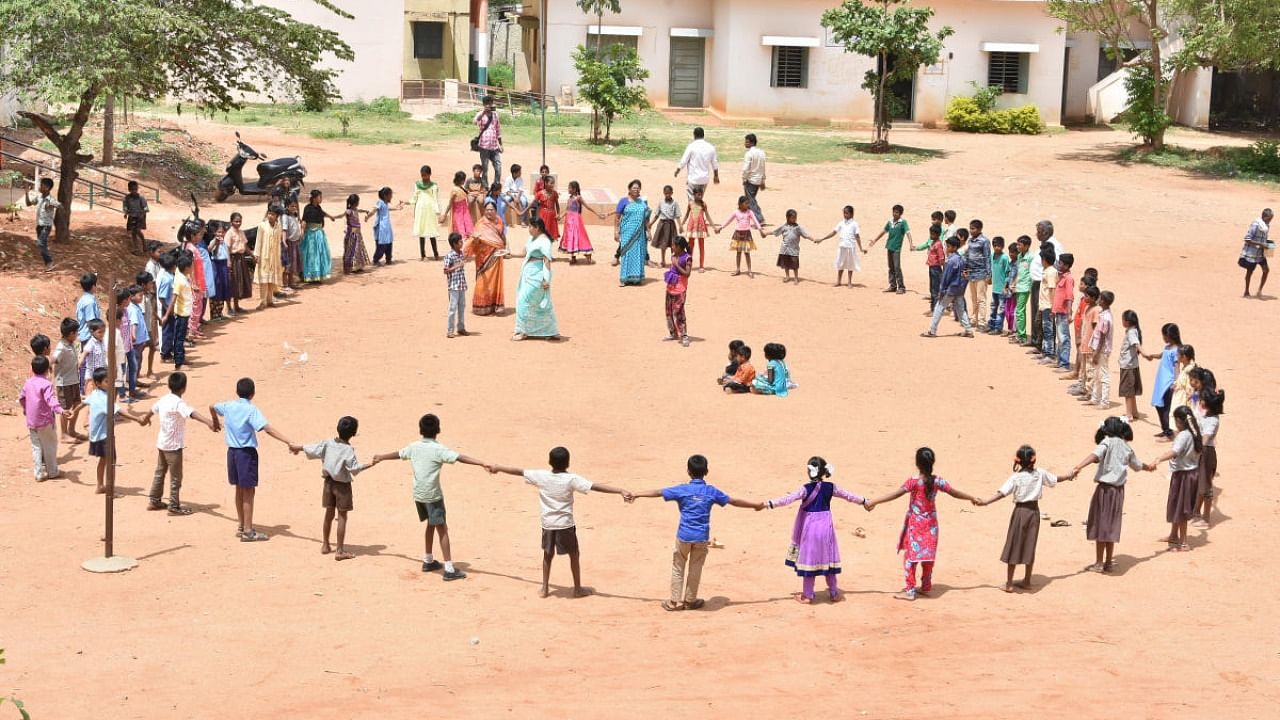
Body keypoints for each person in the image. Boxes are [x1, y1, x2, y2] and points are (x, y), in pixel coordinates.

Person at [487, 447, 629, 598]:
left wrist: (498, 467)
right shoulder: (571, 479)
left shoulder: (541, 476)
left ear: (550, 462)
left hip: (547, 524)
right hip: (565, 525)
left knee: (547, 555)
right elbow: (594, 486)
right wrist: (620, 490)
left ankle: (544, 588)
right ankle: (577, 588)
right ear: (568, 463)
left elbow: (519, 471)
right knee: (574, 554)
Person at [625, 454, 762, 611]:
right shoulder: (711, 491)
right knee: (695, 568)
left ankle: (674, 602)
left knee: (678, 567)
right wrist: (755, 505)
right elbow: (733, 501)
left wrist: (636, 494)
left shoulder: (682, 490)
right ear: (707, 471)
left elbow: (658, 492)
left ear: (688, 472)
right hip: (701, 537)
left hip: (683, 536)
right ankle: (690, 600)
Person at [371, 413, 492, 581]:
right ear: (438, 430)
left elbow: (399, 454)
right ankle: (449, 569)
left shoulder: (414, 446)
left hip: (419, 495)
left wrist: (381, 456)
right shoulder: (439, 449)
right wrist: (481, 462)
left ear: (420, 430)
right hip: (433, 496)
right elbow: (459, 457)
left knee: (430, 524)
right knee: (442, 529)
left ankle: (428, 560)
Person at [864, 447, 980, 601]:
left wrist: (874, 501)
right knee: (928, 557)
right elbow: (954, 492)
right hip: (931, 525)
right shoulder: (938, 481)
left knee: (910, 558)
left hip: (916, 526)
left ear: (917, 463)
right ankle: (926, 587)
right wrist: (972, 497)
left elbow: (896, 494)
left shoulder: (914, 481)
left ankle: (910, 590)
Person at [765, 457, 868, 604]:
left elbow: (788, 498)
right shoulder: (831, 487)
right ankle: (834, 592)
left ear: (809, 471)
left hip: (810, 528)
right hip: (826, 527)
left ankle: (808, 595)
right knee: (829, 558)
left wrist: (770, 503)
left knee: (809, 560)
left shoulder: (805, 489)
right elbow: (848, 495)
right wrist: (865, 501)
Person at [974, 445, 1071, 592]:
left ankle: (1009, 583)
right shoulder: (1040, 473)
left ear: (1018, 461)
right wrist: (1069, 475)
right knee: (1030, 545)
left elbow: (1002, 493)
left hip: (1020, 512)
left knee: (1014, 544)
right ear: (1034, 460)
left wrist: (986, 502)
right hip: (1034, 513)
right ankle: (1027, 580)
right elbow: (1056, 479)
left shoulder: (1016, 477)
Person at [211, 377, 297, 542]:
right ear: (252, 394)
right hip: (246, 454)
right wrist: (287, 441)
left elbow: (212, 406)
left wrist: (215, 421)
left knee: (238, 490)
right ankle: (248, 531)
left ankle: (242, 525)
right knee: (249, 492)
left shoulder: (228, 405)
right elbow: (267, 429)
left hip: (232, 453)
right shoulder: (251, 410)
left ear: (237, 392)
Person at [291, 416, 378, 561]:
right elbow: (354, 469)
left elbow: (312, 448)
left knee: (328, 514)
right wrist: (371, 464)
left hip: (328, 484)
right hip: (342, 487)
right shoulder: (348, 450)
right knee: (342, 516)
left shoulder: (328, 443)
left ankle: (325, 545)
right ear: (354, 433)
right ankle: (340, 550)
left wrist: (297, 448)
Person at [1069, 416, 1147, 572]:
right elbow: (1138, 465)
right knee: (1111, 526)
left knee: (1100, 525)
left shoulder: (1107, 442)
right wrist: (1149, 467)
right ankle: (1109, 562)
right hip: (1118, 492)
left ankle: (1098, 563)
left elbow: (1094, 456)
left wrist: (1078, 466)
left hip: (1105, 490)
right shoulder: (1126, 447)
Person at [148, 371, 217, 515]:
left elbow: (152, 410)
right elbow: (191, 413)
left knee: (160, 472)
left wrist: (144, 419)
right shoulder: (178, 403)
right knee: (175, 477)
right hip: (173, 446)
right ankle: (174, 506)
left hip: (162, 443)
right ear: (184, 388)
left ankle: (154, 500)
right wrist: (209, 422)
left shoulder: (164, 399)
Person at [73, 367, 150, 494]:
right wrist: (137, 419)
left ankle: (99, 485)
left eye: (111, 381)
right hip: (104, 436)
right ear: (98, 383)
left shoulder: (94, 394)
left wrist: (73, 412)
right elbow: (120, 411)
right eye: (107, 381)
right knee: (111, 462)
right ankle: (110, 490)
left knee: (103, 460)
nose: (110, 384)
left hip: (96, 435)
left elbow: (83, 403)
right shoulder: (105, 399)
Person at [1148, 406, 1203, 552]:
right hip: (1191, 474)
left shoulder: (1184, 435)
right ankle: (1173, 535)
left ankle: (1184, 542)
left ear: (1179, 421)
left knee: (1182, 507)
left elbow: (1174, 451)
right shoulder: (1195, 432)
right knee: (1178, 505)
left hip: (1184, 476)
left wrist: (1158, 459)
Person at [19, 356, 70, 480]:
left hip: (31, 421)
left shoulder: (28, 382)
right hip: (45, 420)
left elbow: (22, 398)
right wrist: (61, 410)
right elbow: (50, 400)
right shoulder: (46, 384)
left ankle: (38, 473)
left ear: (32, 369)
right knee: (50, 445)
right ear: (48, 369)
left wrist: (26, 409)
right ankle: (52, 472)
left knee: (36, 446)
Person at [513, 218, 559, 341]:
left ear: (537, 227)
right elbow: (524, 253)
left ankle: (522, 331)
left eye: (530, 227)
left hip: (538, 276)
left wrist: (546, 279)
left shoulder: (544, 241)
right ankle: (550, 331)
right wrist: (509, 254)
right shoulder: (532, 239)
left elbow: (547, 260)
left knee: (523, 301)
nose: (529, 229)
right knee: (538, 304)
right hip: (528, 274)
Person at [1189, 368, 1224, 527]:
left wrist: (1194, 450)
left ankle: (1206, 519)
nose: (1200, 401)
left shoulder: (1212, 420)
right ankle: (1196, 512)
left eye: (1202, 400)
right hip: (1202, 451)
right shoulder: (1207, 413)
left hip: (1206, 452)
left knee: (1206, 487)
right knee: (1200, 485)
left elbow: (1205, 439)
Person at [922, 235, 973, 338]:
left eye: (948, 246)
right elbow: (965, 275)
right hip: (959, 289)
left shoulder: (951, 261)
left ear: (954, 247)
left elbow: (946, 278)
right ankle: (968, 330)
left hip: (950, 289)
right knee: (960, 309)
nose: (946, 248)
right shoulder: (961, 259)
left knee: (939, 308)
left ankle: (932, 331)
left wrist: (942, 291)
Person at [464, 202, 507, 316]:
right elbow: (474, 242)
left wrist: (504, 247)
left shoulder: (499, 221)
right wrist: (476, 240)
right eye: (487, 210)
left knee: (495, 281)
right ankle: (481, 307)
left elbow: (502, 236)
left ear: (495, 210)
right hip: (483, 257)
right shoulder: (480, 224)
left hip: (497, 255)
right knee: (483, 280)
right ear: (484, 211)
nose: (489, 212)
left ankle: (495, 305)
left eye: (492, 209)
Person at [1143, 323, 1182, 439]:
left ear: (1170, 335)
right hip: (1161, 381)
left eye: (1164, 335)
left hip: (1168, 382)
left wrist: (1176, 381)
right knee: (1159, 405)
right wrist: (1152, 356)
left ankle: (1169, 432)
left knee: (1166, 408)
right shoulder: (1168, 347)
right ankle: (1165, 429)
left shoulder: (1177, 350)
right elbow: (1162, 355)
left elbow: (1177, 367)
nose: (1163, 338)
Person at [51, 319, 85, 442]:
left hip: (74, 380)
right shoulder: (61, 347)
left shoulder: (71, 344)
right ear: (71, 333)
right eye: (76, 332)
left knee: (77, 404)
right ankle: (64, 434)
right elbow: (54, 358)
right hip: (64, 383)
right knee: (65, 408)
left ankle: (72, 430)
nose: (77, 334)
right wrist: (47, 365)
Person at [715, 195, 764, 278]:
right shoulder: (736, 212)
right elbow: (728, 220)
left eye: (748, 203)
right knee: (738, 253)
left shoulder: (750, 212)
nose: (748, 205)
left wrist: (760, 230)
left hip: (746, 234)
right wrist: (721, 227)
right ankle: (738, 269)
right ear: (740, 204)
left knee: (747, 253)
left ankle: (749, 270)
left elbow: (755, 221)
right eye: (746, 203)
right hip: (738, 234)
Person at [869, 204, 913, 294]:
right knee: (891, 267)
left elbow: (908, 233)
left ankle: (901, 287)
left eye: (897, 212)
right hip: (889, 246)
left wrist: (911, 244)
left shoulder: (903, 222)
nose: (894, 214)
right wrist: (875, 240)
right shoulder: (890, 222)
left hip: (897, 248)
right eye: (894, 212)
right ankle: (892, 285)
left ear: (900, 214)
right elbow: (883, 231)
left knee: (897, 267)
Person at [819, 205, 865, 288]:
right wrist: (822, 238)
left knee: (850, 264)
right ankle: (838, 281)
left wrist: (861, 248)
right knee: (840, 263)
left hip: (851, 247)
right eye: (844, 213)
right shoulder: (841, 223)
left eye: (846, 213)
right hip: (842, 246)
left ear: (851, 214)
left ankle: (849, 282)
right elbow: (833, 233)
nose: (845, 215)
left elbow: (857, 236)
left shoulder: (855, 224)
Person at [770, 209, 819, 283]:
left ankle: (796, 278)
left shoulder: (798, 228)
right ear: (787, 218)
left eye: (795, 217)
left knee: (795, 264)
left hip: (794, 249)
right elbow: (775, 232)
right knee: (786, 264)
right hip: (785, 249)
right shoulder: (784, 227)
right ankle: (787, 276)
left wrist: (813, 239)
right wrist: (766, 234)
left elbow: (806, 235)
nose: (794, 219)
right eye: (793, 218)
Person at [616, 179, 649, 286]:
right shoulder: (623, 201)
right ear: (629, 189)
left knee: (638, 253)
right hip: (627, 232)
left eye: (638, 188)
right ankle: (624, 278)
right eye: (634, 188)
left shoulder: (642, 202)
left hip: (639, 234)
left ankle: (636, 278)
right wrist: (616, 231)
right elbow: (617, 217)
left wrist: (649, 231)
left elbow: (646, 218)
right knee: (626, 253)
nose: (636, 189)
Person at [300, 189, 337, 282]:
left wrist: (331, 216)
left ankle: (318, 275)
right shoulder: (308, 208)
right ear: (314, 198)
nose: (321, 199)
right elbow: (304, 221)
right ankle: (310, 275)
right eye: (320, 197)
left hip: (319, 234)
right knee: (312, 254)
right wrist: (302, 232)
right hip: (311, 235)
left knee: (320, 254)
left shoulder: (318, 207)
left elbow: (323, 213)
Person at [559, 180, 599, 264]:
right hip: (569, 222)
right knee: (570, 237)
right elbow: (567, 210)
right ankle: (573, 257)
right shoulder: (569, 198)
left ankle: (588, 254)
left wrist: (597, 213)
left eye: (570, 188)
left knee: (579, 236)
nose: (568, 189)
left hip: (576, 221)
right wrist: (560, 217)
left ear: (575, 189)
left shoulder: (578, 198)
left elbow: (587, 207)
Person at [674, 127, 719, 201]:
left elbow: (684, 161)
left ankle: (695, 212)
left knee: (692, 202)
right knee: (699, 200)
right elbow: (714, 163)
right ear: (703, 135)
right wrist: (716, 176)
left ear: (694, 135)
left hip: (693, 179)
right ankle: (698, 212)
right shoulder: (711, 147)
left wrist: (677, 170)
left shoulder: (691, 146)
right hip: (704, 179)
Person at [24, 177, 59, 271]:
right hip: (39, 226)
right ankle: (48, 263)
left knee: (40, 244)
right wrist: (26, 193)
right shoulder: (39, 197)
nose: (39, 187)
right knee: (42, 245)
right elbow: (28, 204)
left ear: (47, 188)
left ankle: (50, 262)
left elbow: (59, 205)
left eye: (41, 185)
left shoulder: (51, 199)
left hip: (46, 226)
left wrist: (52, 205)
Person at [1116, 310, 1145, 421]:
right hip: (1131, 364)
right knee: (1131, 390)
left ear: (1127, 321)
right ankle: (1134, 411)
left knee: (1127, 391)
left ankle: (1129, 415)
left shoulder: (1131, 332)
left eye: (1123, 319)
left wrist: (1144, 353)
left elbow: (1136, 344)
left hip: (1128, 365)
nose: (1122, 321)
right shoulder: (1133, 330)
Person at [253, 206, 284, 310]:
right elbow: (258, 241)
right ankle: (263, 301)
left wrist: (279, 256)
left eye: (273, 214)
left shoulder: (278, 227)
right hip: (264, 255)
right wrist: (256, 255)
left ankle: (270, 300)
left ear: (277, 216)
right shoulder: (262, 226)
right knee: (264, 279)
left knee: (271, 279)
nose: (270, 216)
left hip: (274, 256)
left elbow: (279, 243)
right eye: (269, 213)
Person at [1089, 290, 1116, 408]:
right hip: (1099, 349)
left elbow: (1102, 338)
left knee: (1103, 375)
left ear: (1103, 301)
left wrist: (1096, 353)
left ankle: (1104, 401)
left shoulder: (1106, 318)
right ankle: (1095, 398)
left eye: (1100, 298)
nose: (1098, 300)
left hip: (1102, 350)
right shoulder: (1104, 314)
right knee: (1096, 374)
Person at [663, 236, 692, 347]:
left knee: (679, 311)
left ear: (679, 247)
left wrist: (676, 264)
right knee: (669, 311)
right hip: (670, 287)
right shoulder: (674, 256)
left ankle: (684, 335)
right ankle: (673, 332)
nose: (672, 247)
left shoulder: (687, 258)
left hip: (680, 289)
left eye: (674, 245)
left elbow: (687, 274)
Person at [959, 219, 991, 319]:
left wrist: (989, 274)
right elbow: (967, 255)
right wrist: (965, 269)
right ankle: (974, 318)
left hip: (981, 273)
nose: (971, 231)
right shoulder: (970, 241)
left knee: (981, 298)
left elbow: (987, 257)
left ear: (979, 229)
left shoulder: (984, 241)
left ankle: (982, 320)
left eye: (973, 229)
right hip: (971, 273)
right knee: (973, 298)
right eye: (970, 228)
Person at [167, 252, 193, 370]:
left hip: (185, 312)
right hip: (181, 313)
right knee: (179, 338)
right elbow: (174, 297)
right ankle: (178, 362)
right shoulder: (180, 281)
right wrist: (167, 314)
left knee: (181, 336)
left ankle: (181, 357)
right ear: (187, 268)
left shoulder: (183, 277)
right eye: (191, 266)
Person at [1238, 208, 1272, 297]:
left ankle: (1259, 291)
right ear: (1264, 217)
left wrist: (1268, 245)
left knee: (1266, 270)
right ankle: (1246, 291)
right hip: (1252, 253)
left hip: (1260, 253)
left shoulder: (1266, 225)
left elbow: (1263, 238)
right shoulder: (1255, 225)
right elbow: (1247, 239)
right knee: (1250, 272)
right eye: (1269, 218)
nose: (1270, 220)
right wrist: (1261, 244)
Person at [912, 224, 946, 311]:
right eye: (930, 233)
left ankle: (935, 309)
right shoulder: (932, 242)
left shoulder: (938, 244)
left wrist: (943, 268)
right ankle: (934, 308)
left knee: (935, 289)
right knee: (932, 288)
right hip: (931, 267)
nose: (931, 236)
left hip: (936, 268)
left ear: (937, 234)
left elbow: (941, 257)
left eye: (932, 234)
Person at [411, 165, 442, 260]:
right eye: (422, 175)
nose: (423, 177)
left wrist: (437, 211)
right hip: (420, 209)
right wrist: (408, 202)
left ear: (429, 174)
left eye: (425, 175)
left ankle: (436, 254)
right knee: (421, 232)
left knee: (431, 231)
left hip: (430, 209)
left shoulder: (434, 186)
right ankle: (422, 255)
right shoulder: (417, 184)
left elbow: (436, 199)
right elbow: (414, 197)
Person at [443, 233, 470, 338]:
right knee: (452, 308)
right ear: (454, 244)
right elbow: (445, 271)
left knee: (462, 307)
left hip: (461, 285)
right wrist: (457, 265)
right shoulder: (449, 256)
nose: (461, 243)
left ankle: (461, 328)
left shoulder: (461, 254)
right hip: (453, 286)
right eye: (460, 242)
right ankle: (450, 330)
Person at [1052, 253, 1076, 370]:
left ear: (1066, 265)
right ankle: (1060, 360)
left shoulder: (1069, 279)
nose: (1058, 265)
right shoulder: (1061, 277)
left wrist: (1070, 313)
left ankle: (1064, 363)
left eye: (1060, 263)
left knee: (1064, 337)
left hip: (1064, 312)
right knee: (1060, 337)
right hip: (1058, 312)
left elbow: (1069, 297)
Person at [473, 95, 503, 188]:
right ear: (484, 104)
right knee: (485, 168)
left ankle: (496, 185)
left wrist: (501, 144)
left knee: (498, 167)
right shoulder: (481, 114)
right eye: (487, 104)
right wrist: (483, 112)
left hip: (494, 146)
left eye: (490, 103)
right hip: (484, 146)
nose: (489, 105)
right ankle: (486, 187)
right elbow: (474, 121)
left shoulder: (495, 114)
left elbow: (498, 129)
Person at [225, 213, 253, 313]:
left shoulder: (241, 232)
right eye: (236, 221)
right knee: (232, 282)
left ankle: (236, 306)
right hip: (233, 259)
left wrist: (253, 256)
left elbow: (245, 246)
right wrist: (228, 261)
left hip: (241, 259)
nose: (238, 223)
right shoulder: (229, 233)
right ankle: (229, 308)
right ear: (231, 222)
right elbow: (227, 248)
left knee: (239, 283)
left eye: (240, 221)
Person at [648, 185, 680, 268]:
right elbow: (656, 215)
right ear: (663, 193)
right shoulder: (661, 203)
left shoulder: (675, 203)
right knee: (663, 244)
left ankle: (674, 261)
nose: (667, 195)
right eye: (666, 193)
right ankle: (663, 261)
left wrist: (680, 225)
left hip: (671, 225)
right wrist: (651, 223)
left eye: (669, 193)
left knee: (673, 244)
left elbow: (677, 216)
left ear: (672, 193)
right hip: (662, 225)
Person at [370, 186, 403, 266]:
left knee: (389, 243)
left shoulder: (385, 204)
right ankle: (376, 259)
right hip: (381, 228)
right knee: (381, 245)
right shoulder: (380, 202)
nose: (391, 196)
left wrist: (397, 207)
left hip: (386, 228)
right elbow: (374, 209)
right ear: (385, 196)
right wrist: (368, 216)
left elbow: (388, 208)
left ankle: (388, 259)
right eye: (390, 195)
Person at [1036, 247, 1059, 362]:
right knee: (1045, 329)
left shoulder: (1051, 272)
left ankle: (1050, 354)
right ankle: (1045, 351)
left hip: (1048, 305)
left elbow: (1052, 290)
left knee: (1048, 330)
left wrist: (1053, 307)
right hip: (1044, 304)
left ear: (1044, 259)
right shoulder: (1047, 271)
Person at [136, 271, 160, 379]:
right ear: (143, 285)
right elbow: (141, 314)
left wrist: (158, 317)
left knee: (151, 347)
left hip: (147, 329)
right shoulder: (141, 299)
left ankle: (148, 371)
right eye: (150, 283)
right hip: (143, 329)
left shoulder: (147, 296)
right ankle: (136, 373)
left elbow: (150, 309)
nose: (152, 285)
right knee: (139, 352)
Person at [682, 186, 711, 271]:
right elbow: (687, 215)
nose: (700, 196)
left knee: (701, 247)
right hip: (692, 227)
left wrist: (714, 226)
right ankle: (689, 264)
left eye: (701, 195)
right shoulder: (690, 204)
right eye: (698, 195)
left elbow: (708, 216)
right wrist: (682, 224)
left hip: (701, 227)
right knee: (690, 247)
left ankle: (701, 266)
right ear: (694, 195)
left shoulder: (704, 204)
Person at [986, 236, 1011, 333]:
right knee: (993, 307)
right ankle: (991, 325)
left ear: (1003, 246)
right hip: (995, 288)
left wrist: (1005, 286)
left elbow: (1007, 273)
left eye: (999, 246)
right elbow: (991, 269)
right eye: (995, 246)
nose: (997, 248)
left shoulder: (1004, 258)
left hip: (1002, 289)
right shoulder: (992, 256)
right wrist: (990, 278)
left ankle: (998, 327)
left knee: (1001, 309)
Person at [207, 221, 231, 320]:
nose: (221, 234)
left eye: (222, 232)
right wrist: (216, 243)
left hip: (224, 265)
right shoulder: (213, 241)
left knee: (223, 287)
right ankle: (214, 314)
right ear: (214, 233)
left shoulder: (224, 242)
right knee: (216, 287)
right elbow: (211, 250)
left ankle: (220, 312)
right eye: (219, 232)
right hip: (216, 265)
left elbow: (227, 252)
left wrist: (229, 262)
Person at [440, 170, 475, 239]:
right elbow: (450, 203)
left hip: (464, 211)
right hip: (458, 212)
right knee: (461, 229)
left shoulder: (462, 188)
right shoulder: (455, 190)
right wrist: (445, 214)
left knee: (467, 228)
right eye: (463, 180)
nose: (464, 181)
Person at [741, 133, 766, 224]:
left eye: (747, 142)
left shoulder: (749, 154)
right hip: (758, 180)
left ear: (751, 143)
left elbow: (746, 169)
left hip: (751, 180)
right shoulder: (762, 153)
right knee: (751, 200)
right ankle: (750, 218)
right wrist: (763, 180)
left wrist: (744, 179)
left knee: (751, 201)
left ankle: (760, 219)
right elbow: (763, 167)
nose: (745, 143)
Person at [342, 194, 371, 273]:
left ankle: (357, 266)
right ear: (355, 202)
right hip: (352, 233)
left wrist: (365, 211)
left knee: (357, 249)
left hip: (358, 233)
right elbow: (344, 218)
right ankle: (351, 267)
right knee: (352, 249)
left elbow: (359, 210)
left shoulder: (355, 210)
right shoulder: (349, 211)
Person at [281, 201, 303, 291]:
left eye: (295, 206)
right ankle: (285, 284)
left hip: (295, 243)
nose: (294, 208)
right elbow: (284, 230)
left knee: (293, 263)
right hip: (289, 243)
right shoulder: (285, 217)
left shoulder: (294, 217)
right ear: (287, 207)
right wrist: (284, 241)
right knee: (287, 264)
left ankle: (291, 282)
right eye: (292, 206)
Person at [123, 180, 149, 252]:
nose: (134, 191)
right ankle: (136, 248)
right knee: (133, 232)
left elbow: (146, 207)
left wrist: (143, 211)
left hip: (140, 216)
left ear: (137, 189)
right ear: (129, 190)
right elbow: (125, 206)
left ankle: (144, 244)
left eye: (135, 189)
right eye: (132, 190)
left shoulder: (141, 198)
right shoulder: (127, 198)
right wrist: (125, 213)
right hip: (132, 216)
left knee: (137, 231)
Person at [75, 272, 101, 344]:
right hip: (89, 338)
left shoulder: (84, 299)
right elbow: (91, 322)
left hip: (86, 336)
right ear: (93, 286)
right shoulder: (89, 302)